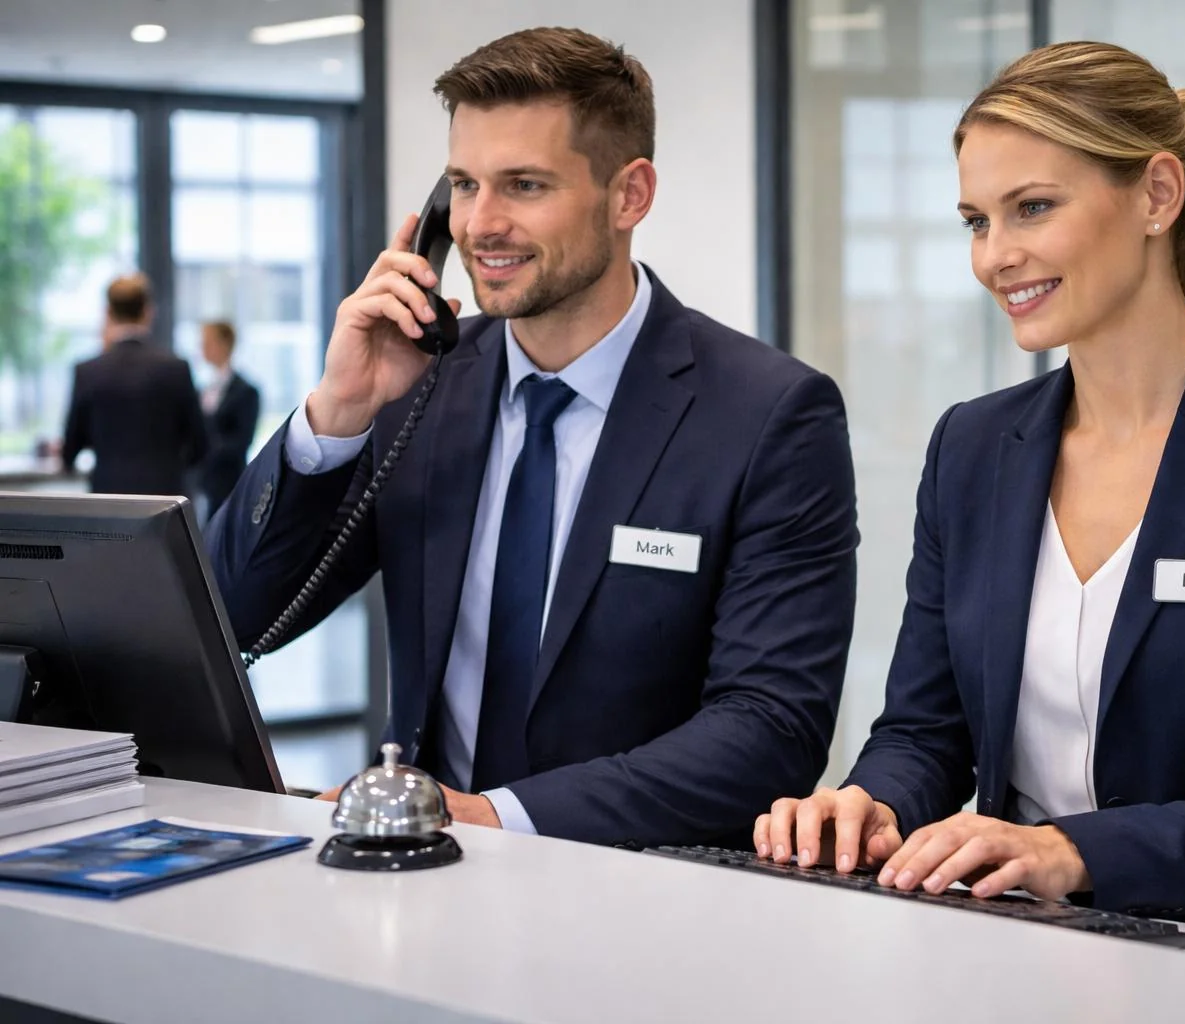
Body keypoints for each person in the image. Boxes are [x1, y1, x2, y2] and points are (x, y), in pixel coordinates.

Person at [756, 41, 1185, 931]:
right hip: (1013, 943)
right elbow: (925, 731)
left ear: (1157, 195)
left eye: (1032, 208)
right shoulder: (972, 446)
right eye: (976, 222)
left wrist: (1075, 851)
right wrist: (872, 803)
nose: (996, 256)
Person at [205, 27, 858, 847]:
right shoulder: (418, 386)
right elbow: (232, 617)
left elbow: (771, 728)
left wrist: (493, 816)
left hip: (644, 886)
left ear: (630, 195)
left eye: (524, 185)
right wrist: (337, 412)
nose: (481, 225)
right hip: (419, 878)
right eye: (464, 185)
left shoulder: (769, 414)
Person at [62, 273, 208, 495]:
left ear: (108, 312)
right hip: (165, 498)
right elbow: (200, 445)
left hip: (108, 497)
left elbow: (70, 450)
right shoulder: (177, 369)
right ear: (148, 311)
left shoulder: (88, 371)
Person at [195, 320, 261, 517]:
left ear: (224, 345)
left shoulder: (245, 391)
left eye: (208, 343)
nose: (203, 349)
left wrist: (207, 450)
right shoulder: (205, 388)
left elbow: (242, 440)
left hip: (228, 481)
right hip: (204, 479)